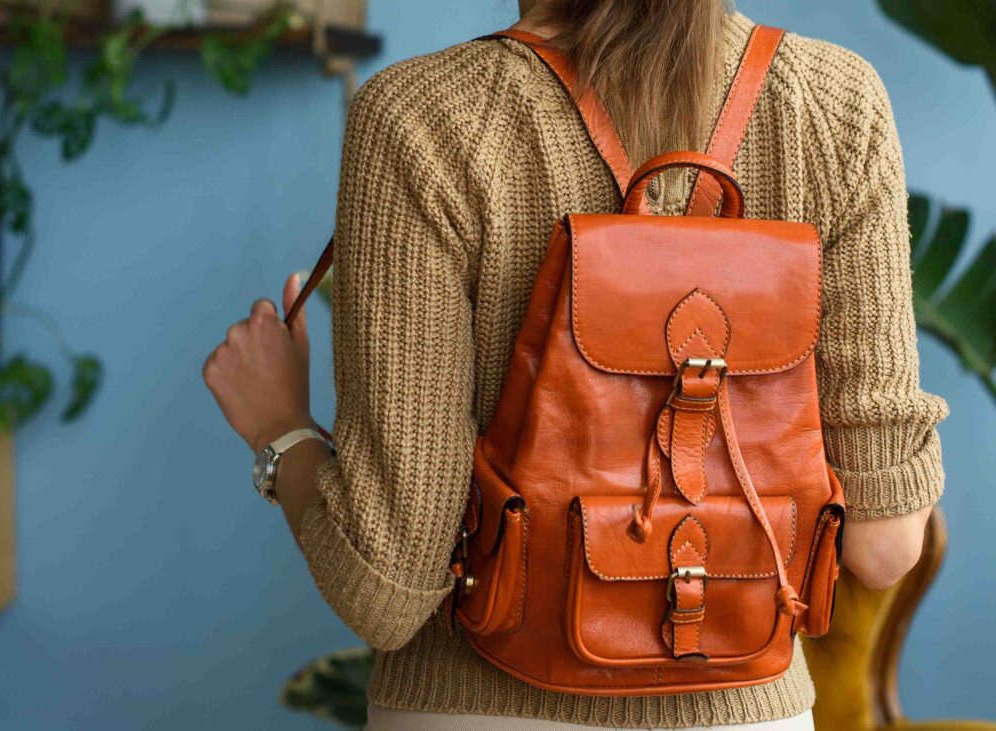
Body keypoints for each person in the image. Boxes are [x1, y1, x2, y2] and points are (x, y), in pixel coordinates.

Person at [202, 1, 948, 729]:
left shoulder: (426, 116)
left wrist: (280, 430)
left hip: (474, 707)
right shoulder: (836, 102)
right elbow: (884, 547)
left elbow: (386, 590)